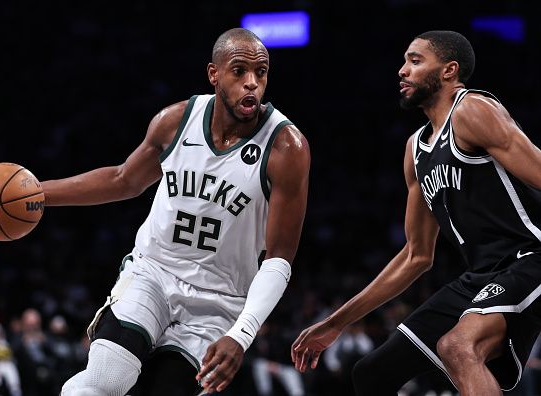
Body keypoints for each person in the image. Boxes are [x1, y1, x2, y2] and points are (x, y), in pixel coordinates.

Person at [42, 27, 310, 395]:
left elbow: (279, 260)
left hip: (219, 300)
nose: (251, 83)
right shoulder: (176, 121)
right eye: (239, 71)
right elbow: (124, 180)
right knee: (107, 379)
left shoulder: (286, 147)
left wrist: (242, 334)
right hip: (154, 272)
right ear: (214, 74)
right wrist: (39, 194)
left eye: (260, 73)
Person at [291, 30, 541, 396]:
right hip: (481, 277)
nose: (402, 70)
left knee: (457, 346)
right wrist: (336, 322)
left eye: (415, 60)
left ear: (449, 71)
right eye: (405, 60)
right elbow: (416, 255)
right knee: (372, 375)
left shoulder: (472, 110)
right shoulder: (415, 150)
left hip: (531, 258)